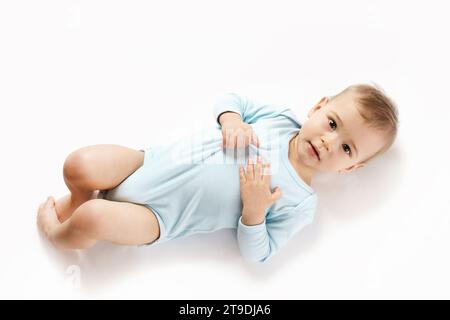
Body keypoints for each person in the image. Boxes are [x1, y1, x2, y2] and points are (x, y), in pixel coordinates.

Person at [37, 83, 398, 263]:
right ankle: (81, 197)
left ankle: (62, 234)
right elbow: (232, 99)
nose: (329, 141)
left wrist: (255, 212)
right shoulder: (280, 120)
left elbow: (260, 254)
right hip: (147, 163)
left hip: (159, 217)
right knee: (79, 164)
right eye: (332, 123)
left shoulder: (300, 201)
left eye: (347, 148)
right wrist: (233, 120)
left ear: (351, 166)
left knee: (94, 218)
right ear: (320, 106)